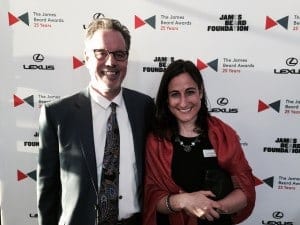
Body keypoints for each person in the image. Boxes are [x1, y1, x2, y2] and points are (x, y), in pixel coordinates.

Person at [37, 18, 154, 225]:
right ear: (86, 58)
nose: (111, 62)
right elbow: (48, 192)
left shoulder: (144, 107)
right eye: (101, 53)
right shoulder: (57, 114)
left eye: (120, 54)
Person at [143, 59, 256, 225]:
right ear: (167, 99)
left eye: (190, 92)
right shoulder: (156, 141)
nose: (183, 102)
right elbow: (151, 199)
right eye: (175, 94)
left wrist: (212, 207)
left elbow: (245, 191)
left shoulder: (223, 134)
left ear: (200, 92)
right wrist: (184, 201)